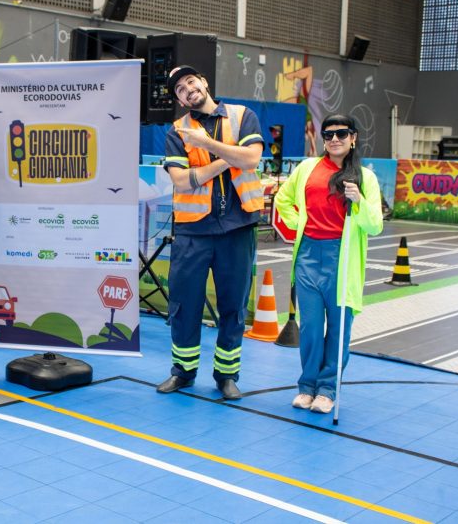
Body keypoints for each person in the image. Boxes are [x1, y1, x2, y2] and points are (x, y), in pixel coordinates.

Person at [156, 65, 264, 400]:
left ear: (203, 82)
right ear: (179, 100)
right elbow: (181, 180)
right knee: (184, 305)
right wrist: (228, 157)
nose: (187, 89)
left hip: (238, 227)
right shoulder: (177, 131)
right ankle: (183, 372)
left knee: (233, 305)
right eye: (179, 89)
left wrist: (206, 145)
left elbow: (252, 158)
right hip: (193, 231)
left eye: (191, 81)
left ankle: (226, 375)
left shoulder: (242, 116)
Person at [274, 114, 383, 413]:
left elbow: (375, 225)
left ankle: (327, 389)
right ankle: (307, 386)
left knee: (338, 329)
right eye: (328, 134)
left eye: (342, 133)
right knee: (310, 327)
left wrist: (359, 200)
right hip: (308, 255)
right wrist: (300, 225)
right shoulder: (307, 168)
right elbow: (282, 200)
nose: (335, 139)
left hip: (342, 257)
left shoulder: (365, 177)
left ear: (353, 138)